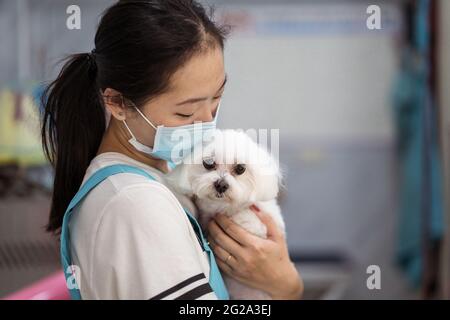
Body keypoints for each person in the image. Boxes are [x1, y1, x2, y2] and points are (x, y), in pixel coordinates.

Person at [41, 0, 303, 300]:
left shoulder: (153, 179)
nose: (206, 122)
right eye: (186, 113)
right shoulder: (137, 201)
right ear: (117, 103)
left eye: (216, 100)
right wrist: (287, 289)